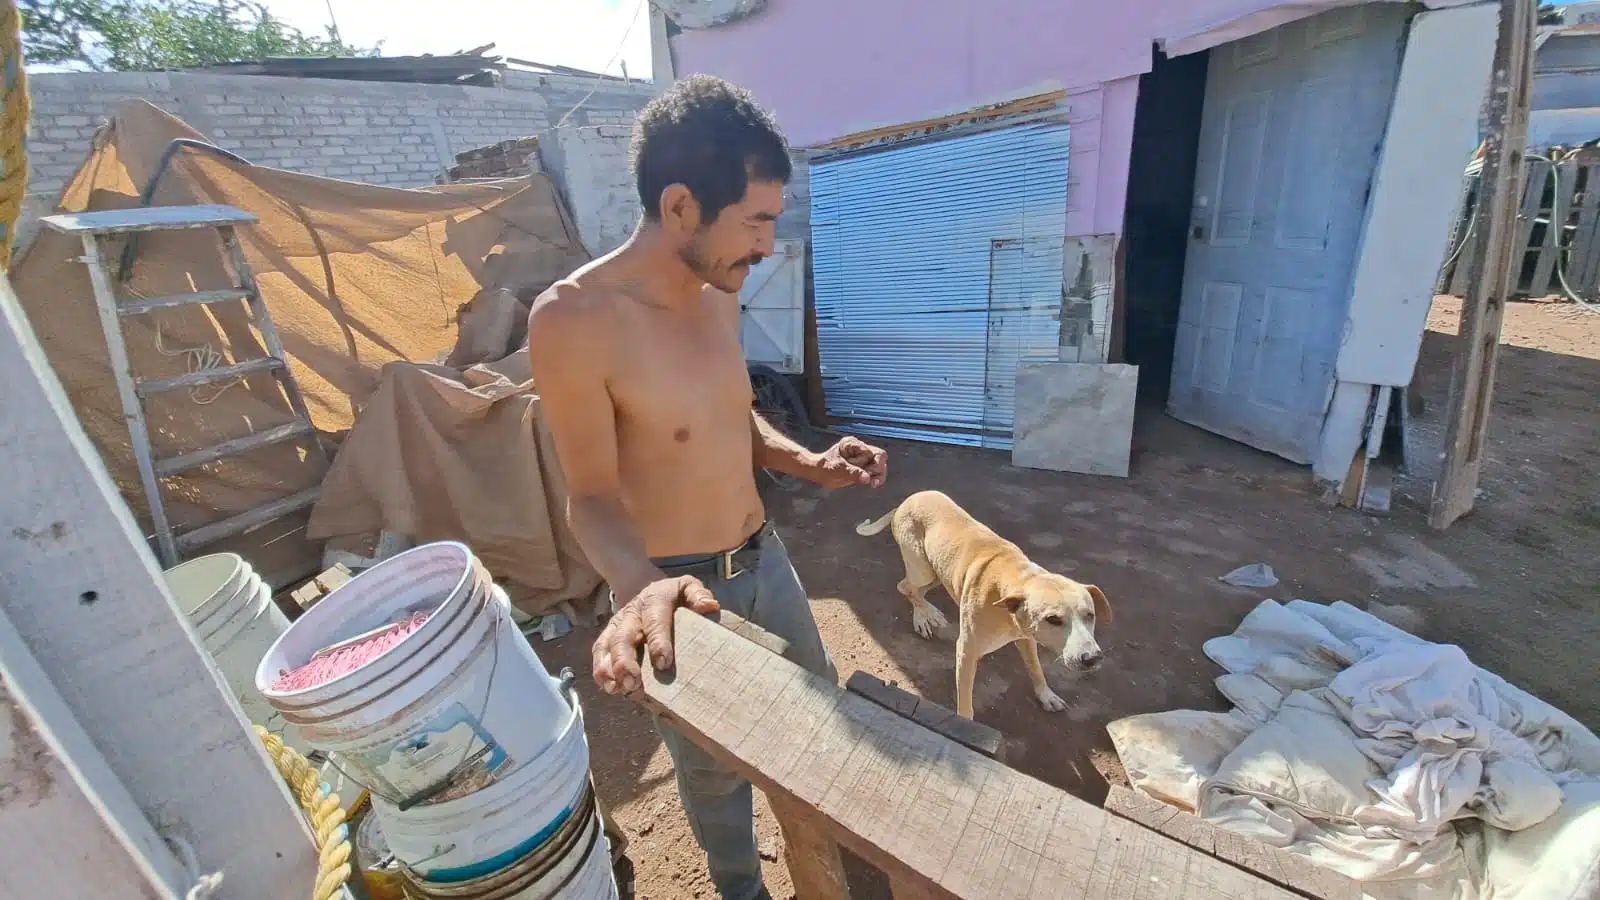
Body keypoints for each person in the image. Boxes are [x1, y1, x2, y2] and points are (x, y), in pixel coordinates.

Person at [527, 75, 888, 900]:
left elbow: (731, 420)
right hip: (679, 593)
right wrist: (641, 589)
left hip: (768, 561)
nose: (767, 246)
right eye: (756, 221)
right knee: (718, 777)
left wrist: (809, 462)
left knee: (820, 724)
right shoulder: (574, 320)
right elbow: (591, 496)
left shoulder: (716, 290)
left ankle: (831, 869)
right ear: (682, 205)